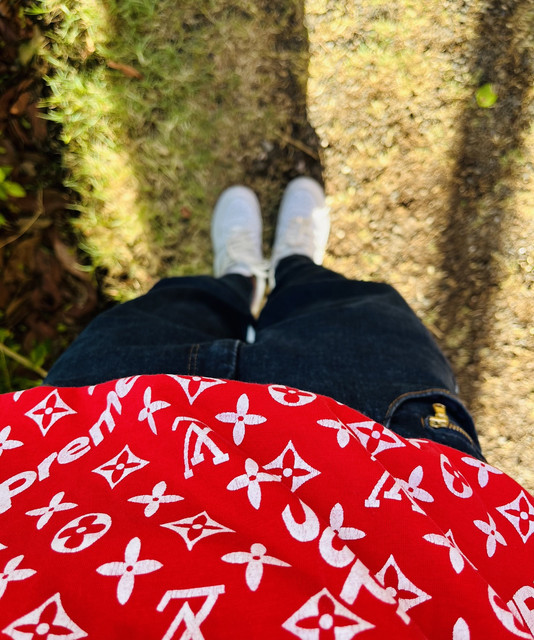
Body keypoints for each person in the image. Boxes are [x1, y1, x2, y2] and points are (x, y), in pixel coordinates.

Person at [0, 177, 532, 639]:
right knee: (351, 309)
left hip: (82, 446)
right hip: (383, 473)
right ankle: (295, 269)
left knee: (170, 306)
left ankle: (240, 280)